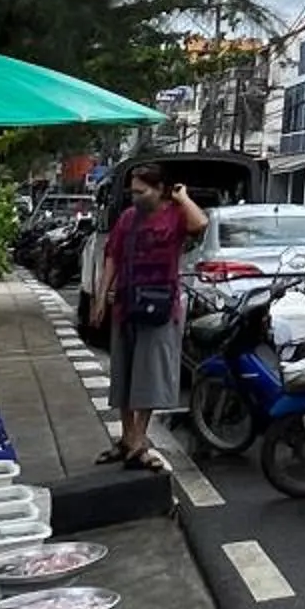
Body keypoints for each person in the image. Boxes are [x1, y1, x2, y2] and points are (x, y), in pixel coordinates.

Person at [88, 164, 207, 471]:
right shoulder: (128, 218)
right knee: (125, 376)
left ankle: (139, 438)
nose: (136, 197)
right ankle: (128, 439)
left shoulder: (175, 216)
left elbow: (200, 223)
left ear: (160, 189)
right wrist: (102, 297)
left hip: (161, 307)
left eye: (142, 191)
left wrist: (182, 197)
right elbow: (112, 256)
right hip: (127, 306)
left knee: (151, 376)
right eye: (133, 191)